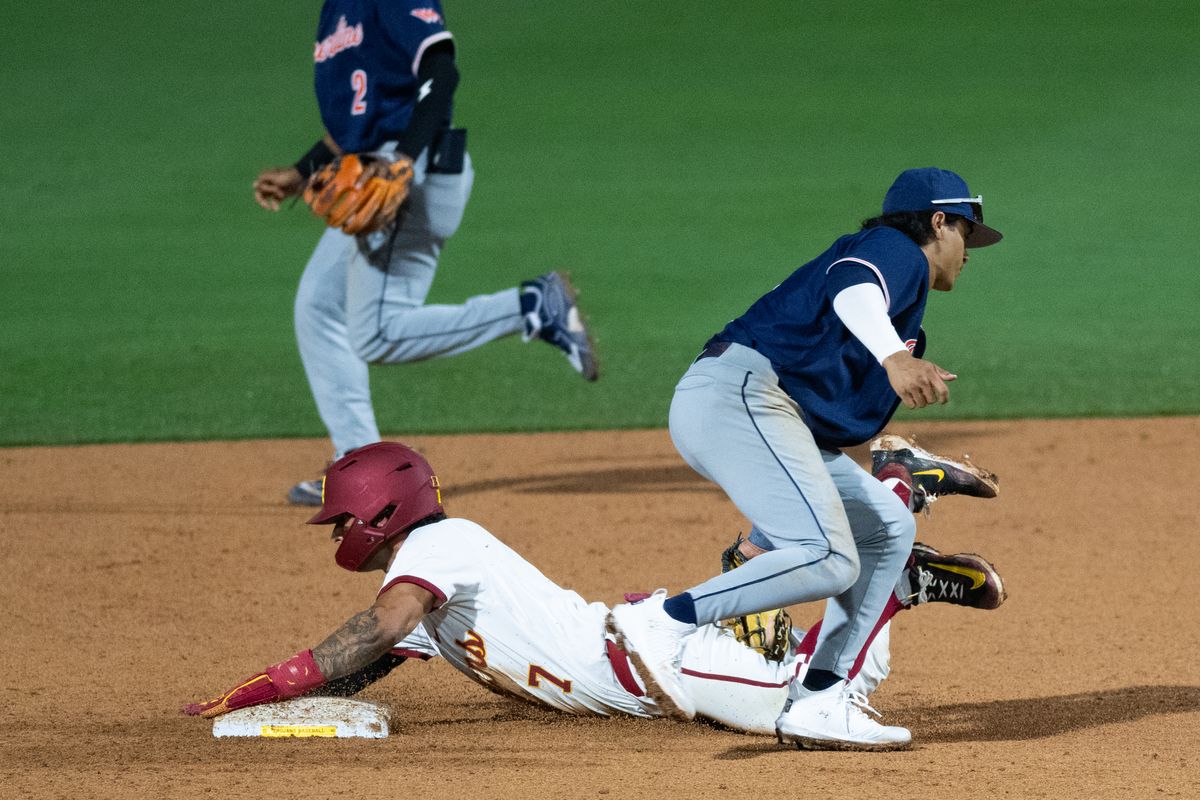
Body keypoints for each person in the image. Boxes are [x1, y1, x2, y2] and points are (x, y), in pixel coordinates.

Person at [183, 441, 1006, 743]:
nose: (337, 534)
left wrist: (275, 683)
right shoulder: (428, 592)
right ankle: (886, 564)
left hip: (657, 661)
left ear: (380, 512)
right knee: (819, 681)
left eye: (342, 520)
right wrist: (250, 701)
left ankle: (898, 500)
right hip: (647, 652)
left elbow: (372, 628)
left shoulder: (439, 550)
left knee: (819, 707)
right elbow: (364, 660)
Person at [607, 167, 1003, 750]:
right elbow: (855, 288)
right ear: (937, 221)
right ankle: (662, 623)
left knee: (888, 528)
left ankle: (820, 698)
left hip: (755, 409)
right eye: (967, 234)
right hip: (740, 395)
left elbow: (827, 430)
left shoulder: (902, 314)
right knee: (827, 556)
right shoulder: (895, 249)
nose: (970, 252)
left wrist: (896, 363)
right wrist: (895, 359)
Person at [251, 1, 598, 506]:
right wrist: (304, 170)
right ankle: (362, 464)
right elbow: (359, 119)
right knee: (317, 305)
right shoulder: (336, 11)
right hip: (379, 170)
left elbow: (441, 70)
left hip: (411, 174)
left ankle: (530, 306)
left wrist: (404, 160)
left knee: (378, 334)